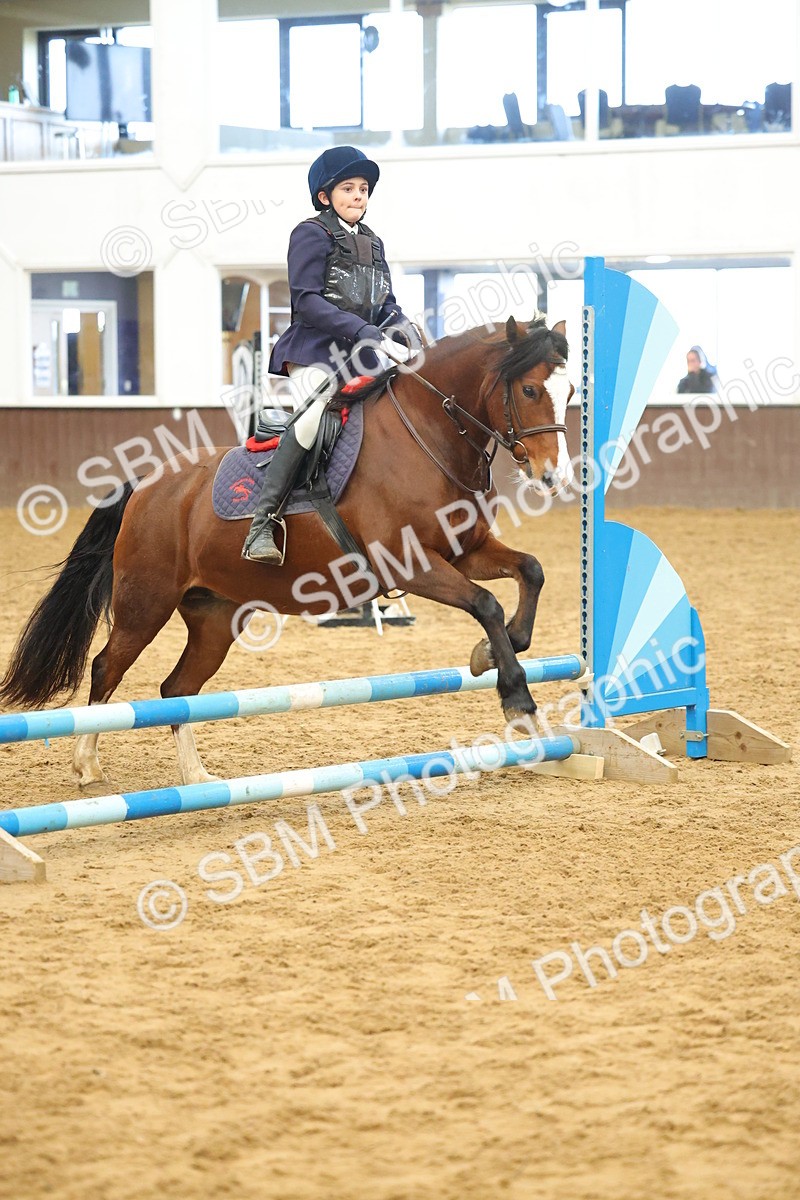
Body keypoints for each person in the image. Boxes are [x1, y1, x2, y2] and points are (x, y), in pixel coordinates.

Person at [242, 145, 421, 565]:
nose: (358, 195)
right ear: (325, 196)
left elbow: (386, 302)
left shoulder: (373, 242)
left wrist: (404, 329)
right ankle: (262, 524)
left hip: (363, 355)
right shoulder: (309, 233)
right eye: (348, 188)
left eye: (363, 188)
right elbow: (306, 301)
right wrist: (363, 330)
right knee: (310, 421)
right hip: (316, 352)